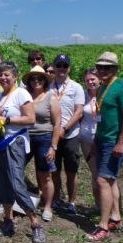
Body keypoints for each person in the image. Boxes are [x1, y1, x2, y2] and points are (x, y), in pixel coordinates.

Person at [0, 61, 45, 243]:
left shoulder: (21, 93)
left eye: (7, 75)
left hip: (15, 142)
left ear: (15, 76)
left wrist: (8, 120)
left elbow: (30, 119)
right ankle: (8, 220)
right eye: (1, 75)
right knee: (3, 182)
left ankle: (35, 223)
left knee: (16, 182)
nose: (3, 77)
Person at [86, 52, 123, 242]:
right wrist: (95, 141)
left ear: (115, 69)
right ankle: (115, 217)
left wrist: (121, 142)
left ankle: (103, 226)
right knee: (111, 180)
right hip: (102, 139)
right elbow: (101, 117)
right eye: (100, 67)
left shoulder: (122, 86)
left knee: (102, 181)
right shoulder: (102, 86)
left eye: (107, 67)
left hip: (114, 141)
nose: (102, 70)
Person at [23, 65, 61, 222]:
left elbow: (57, 124)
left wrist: (53, 146)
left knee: (45, 175)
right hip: (25, 138)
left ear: (45, 81)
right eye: (33, 79)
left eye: (39, 78)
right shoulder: (26, 96)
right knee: (17, 169)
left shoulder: (51, 98)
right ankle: (21, 201)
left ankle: (47, 206)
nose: (36, 81)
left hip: (44, 138)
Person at [49, 54, 85, 215]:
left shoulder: (76, 87)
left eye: (65, 65)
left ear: (69, 68)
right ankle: (56, 198)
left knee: (71, 171)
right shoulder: (49, 86)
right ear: (54, 67)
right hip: (52, 134)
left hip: (70, 134)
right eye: (59, 65)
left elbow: (79, 112)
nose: (61, 68)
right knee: (54, 169)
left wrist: (64, 129)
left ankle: (71, 201)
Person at [79, 68, 101, 208]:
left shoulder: (106, 94)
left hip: (103, 139)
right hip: (86, 139)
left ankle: (111, 205)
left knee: (105, 174)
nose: (90, 82)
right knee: (95, 172)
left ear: (99, 79)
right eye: (87, 80)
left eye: (93, 79)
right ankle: (98, 204)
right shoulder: (83, 96)